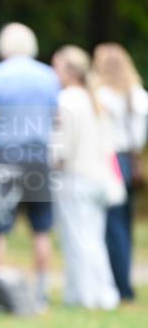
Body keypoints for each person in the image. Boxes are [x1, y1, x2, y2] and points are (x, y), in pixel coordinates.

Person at [0, 23, 60, 309]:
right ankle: (42, 291)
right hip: (39, 159)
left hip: (7, 159)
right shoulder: (48, 75)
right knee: (41, 228)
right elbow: (57, 118)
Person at [50, 45, 120, 310]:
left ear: (68, 70)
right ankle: (104, 294)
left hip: (75, 179)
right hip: (98, 177)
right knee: (94, 239)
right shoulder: (95, 100)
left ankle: (84, 295)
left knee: (77, 240)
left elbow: (61, 147)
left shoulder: (67, 100)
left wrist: (53, 166)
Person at [92, 43, 148, 301]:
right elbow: (139, 138)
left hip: (109, 162)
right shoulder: (138, 95)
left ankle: (118, 284)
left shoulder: (101, 96)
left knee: (112, 225)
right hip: (130, 161)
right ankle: (124, 281)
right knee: (125, 224)